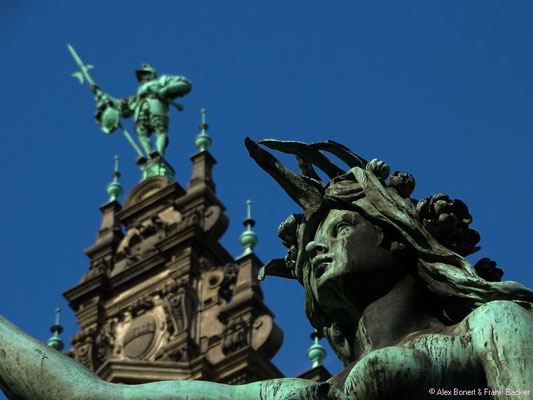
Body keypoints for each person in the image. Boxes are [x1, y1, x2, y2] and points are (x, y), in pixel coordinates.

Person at [1, 138, 532, 399]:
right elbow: (100, 399)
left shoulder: (491, 327)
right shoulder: (296, 394)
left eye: (341, 229)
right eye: (312, 241)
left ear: (399, 238)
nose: (319, 247)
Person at [115, 64, 192, 157]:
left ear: (153, 74)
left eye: (146, 73)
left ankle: (159, 153)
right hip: (141, 109)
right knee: (140, 131)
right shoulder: (140, 90)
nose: (144, 76)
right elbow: (128, 109)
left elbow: (186, 84)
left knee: (160, 129)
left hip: (156, 105)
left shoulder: (162, 80)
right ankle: (149, 155)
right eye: (142, 75)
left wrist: (167, 89)